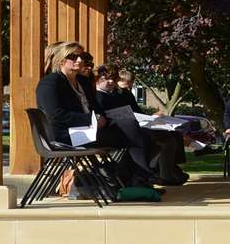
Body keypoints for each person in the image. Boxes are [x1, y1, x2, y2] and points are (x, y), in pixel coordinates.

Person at [34, 42, 156, 189]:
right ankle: (138, 179)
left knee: (140, 131)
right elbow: (55, 115)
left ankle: (131, 178)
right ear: (61, 60)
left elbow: (96, 108)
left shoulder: (82, 81)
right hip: (67, 135)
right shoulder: (50, 83)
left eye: (82, 56)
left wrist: (101, 118)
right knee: (134, 132)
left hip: (90, 130)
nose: (79, 60)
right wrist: (91, 119)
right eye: (73, 56)